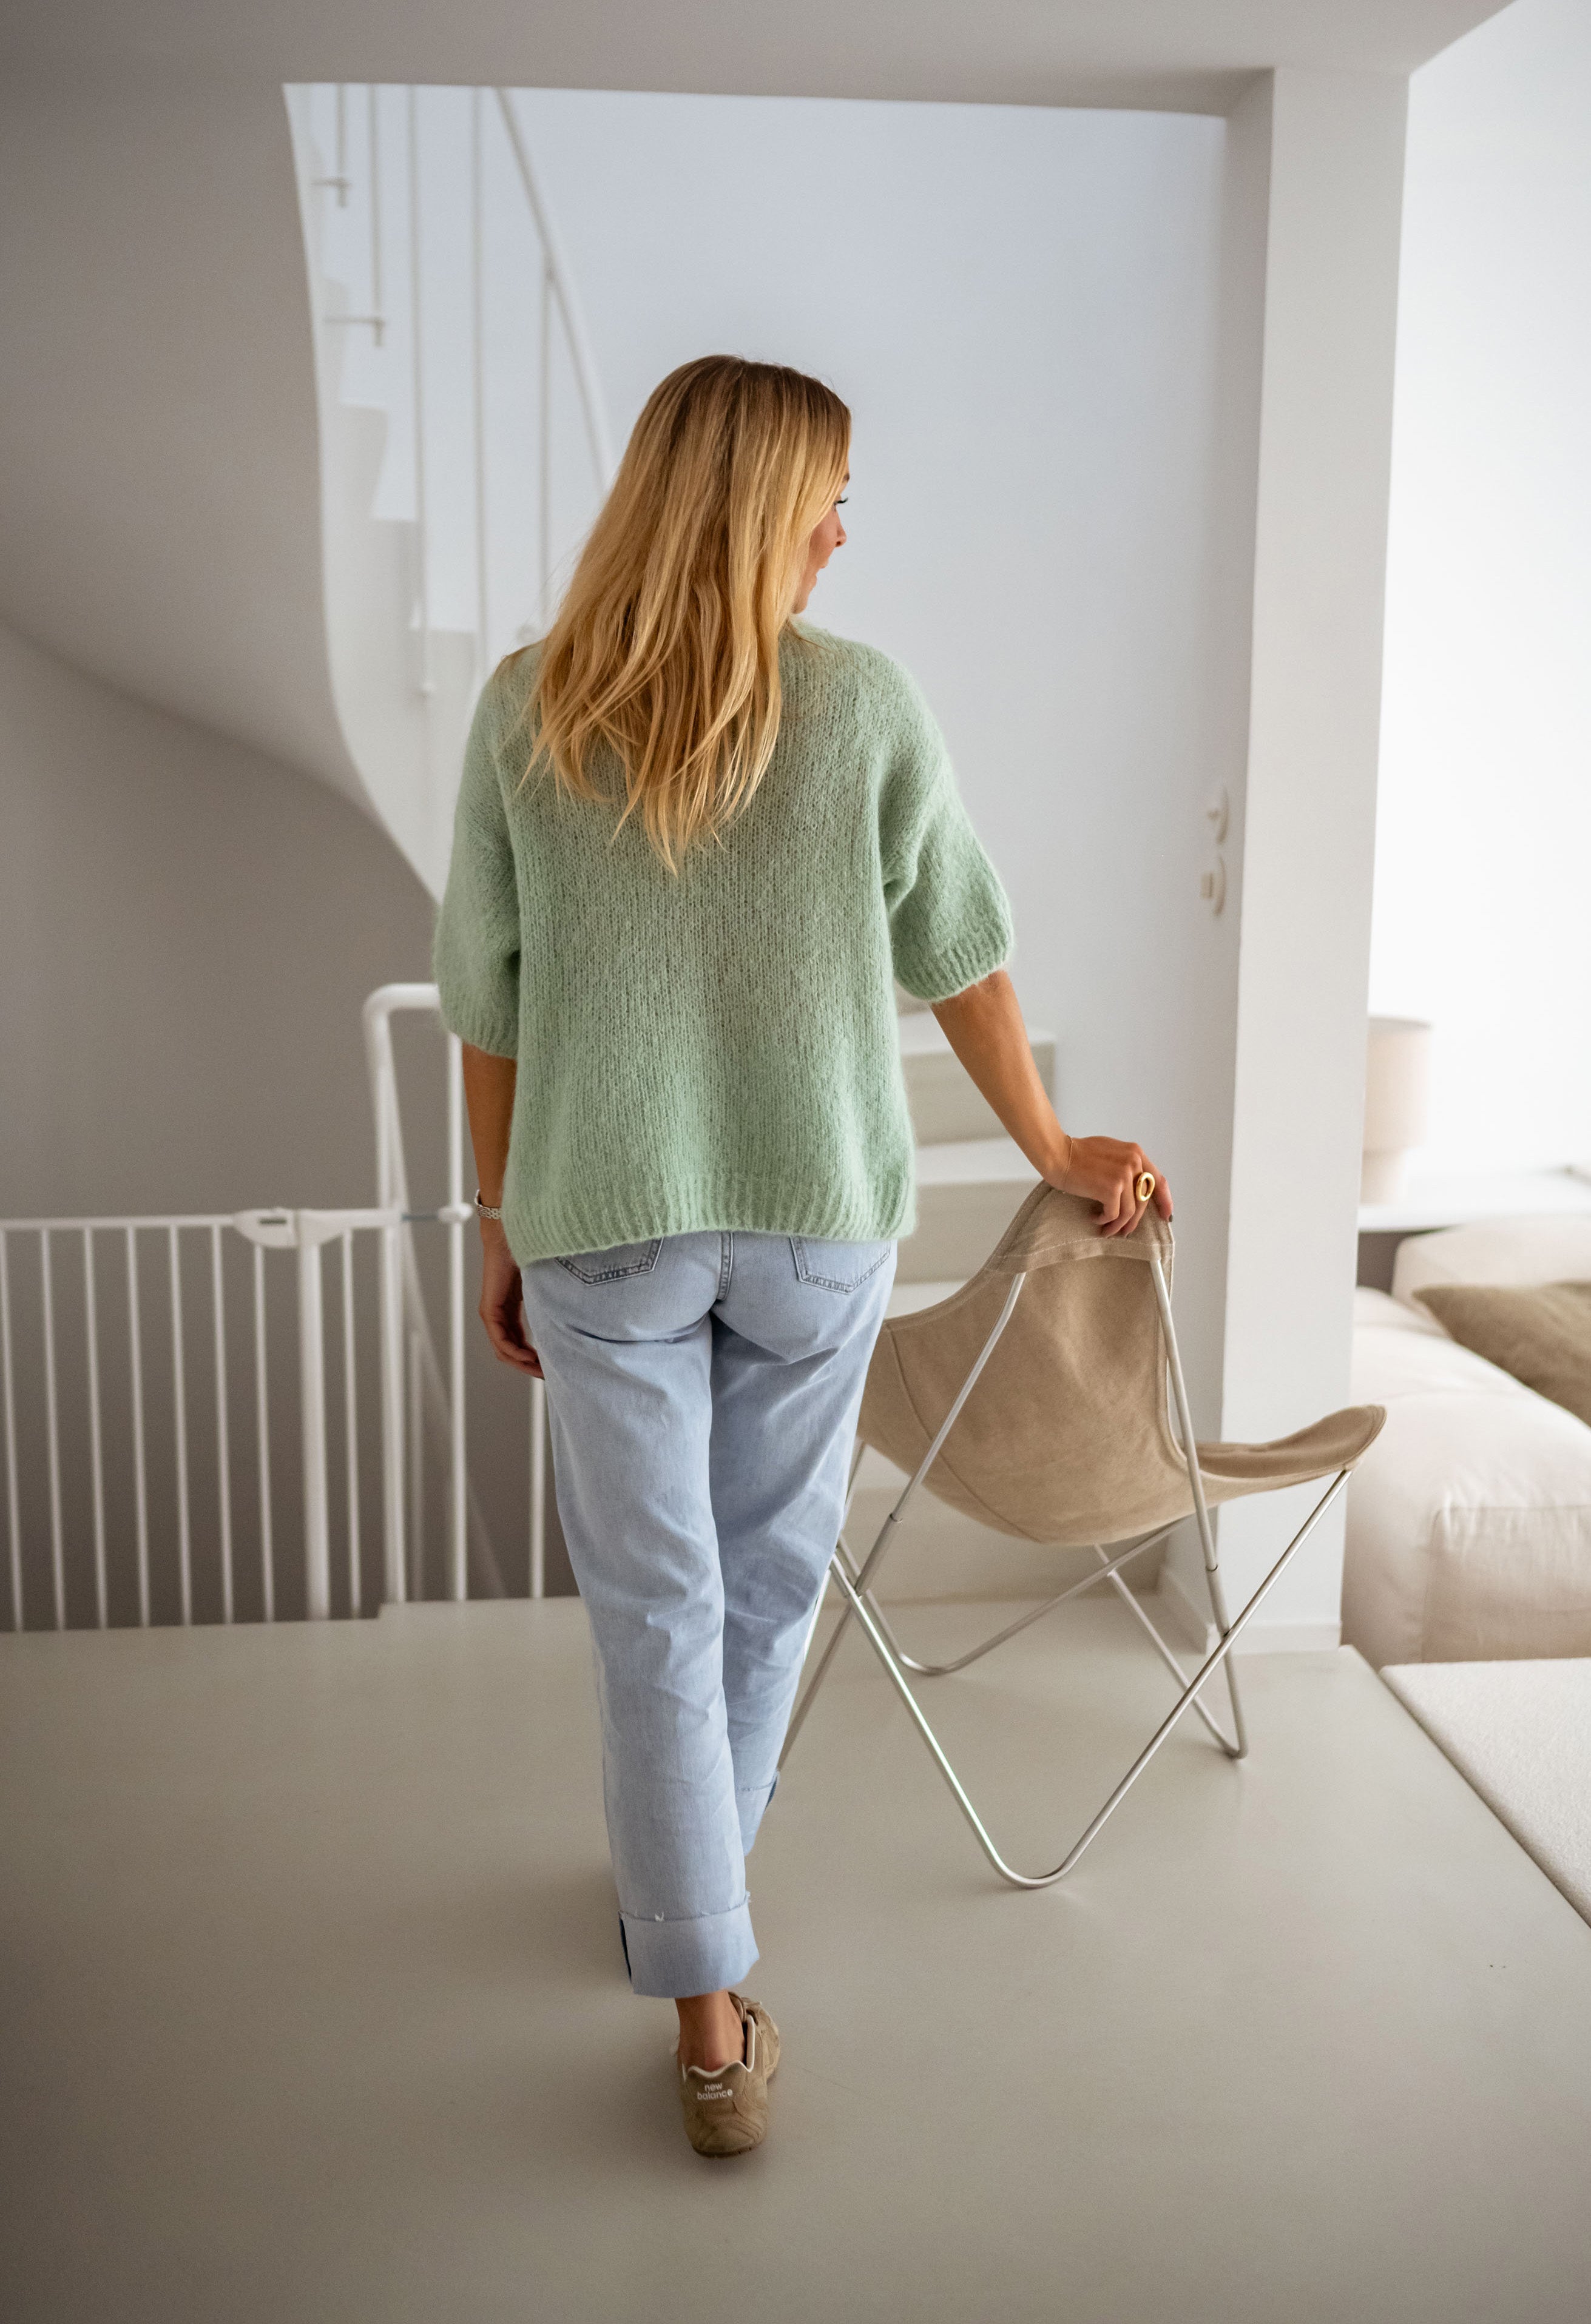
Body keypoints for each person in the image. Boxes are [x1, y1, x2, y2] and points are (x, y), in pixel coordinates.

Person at [434, 354, 1171, 2159]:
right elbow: (966, 956)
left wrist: (502, 1221)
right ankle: (702, 1925)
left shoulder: (529, 708)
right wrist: (1053, 1144)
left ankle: (701, 1985)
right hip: (816, 1216)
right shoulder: (860, 708)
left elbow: (487, 1009)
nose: (845, 529)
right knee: (764, 1587)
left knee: (657, 1608)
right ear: (762, 510)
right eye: (828, 496)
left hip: (601, 1222)